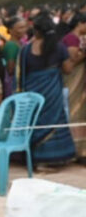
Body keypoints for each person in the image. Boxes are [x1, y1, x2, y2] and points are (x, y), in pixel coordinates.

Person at [19, 13, 77, 167]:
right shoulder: (59, 47)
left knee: (35, 120)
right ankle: (56, 159)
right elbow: (68, 70)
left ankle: (36, 159)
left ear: (36, 31)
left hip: (32, 92)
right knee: (55, 120)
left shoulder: (26, 49)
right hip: (52, 92)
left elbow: (22, 72)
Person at [62, 13, 86, 160]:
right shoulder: (72, 39)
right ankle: (74, 149)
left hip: (78, 80)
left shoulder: (77, 39)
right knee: (74, 111)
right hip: (73, 80)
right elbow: (72, 62)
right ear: (80, 24)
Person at [3, 16, 29, 97]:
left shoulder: (21, 42)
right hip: (14, 84)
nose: (24, 30)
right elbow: (10, 69)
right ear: (11, 30)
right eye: (20, 27)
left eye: (25, 27)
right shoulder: (11, 45)